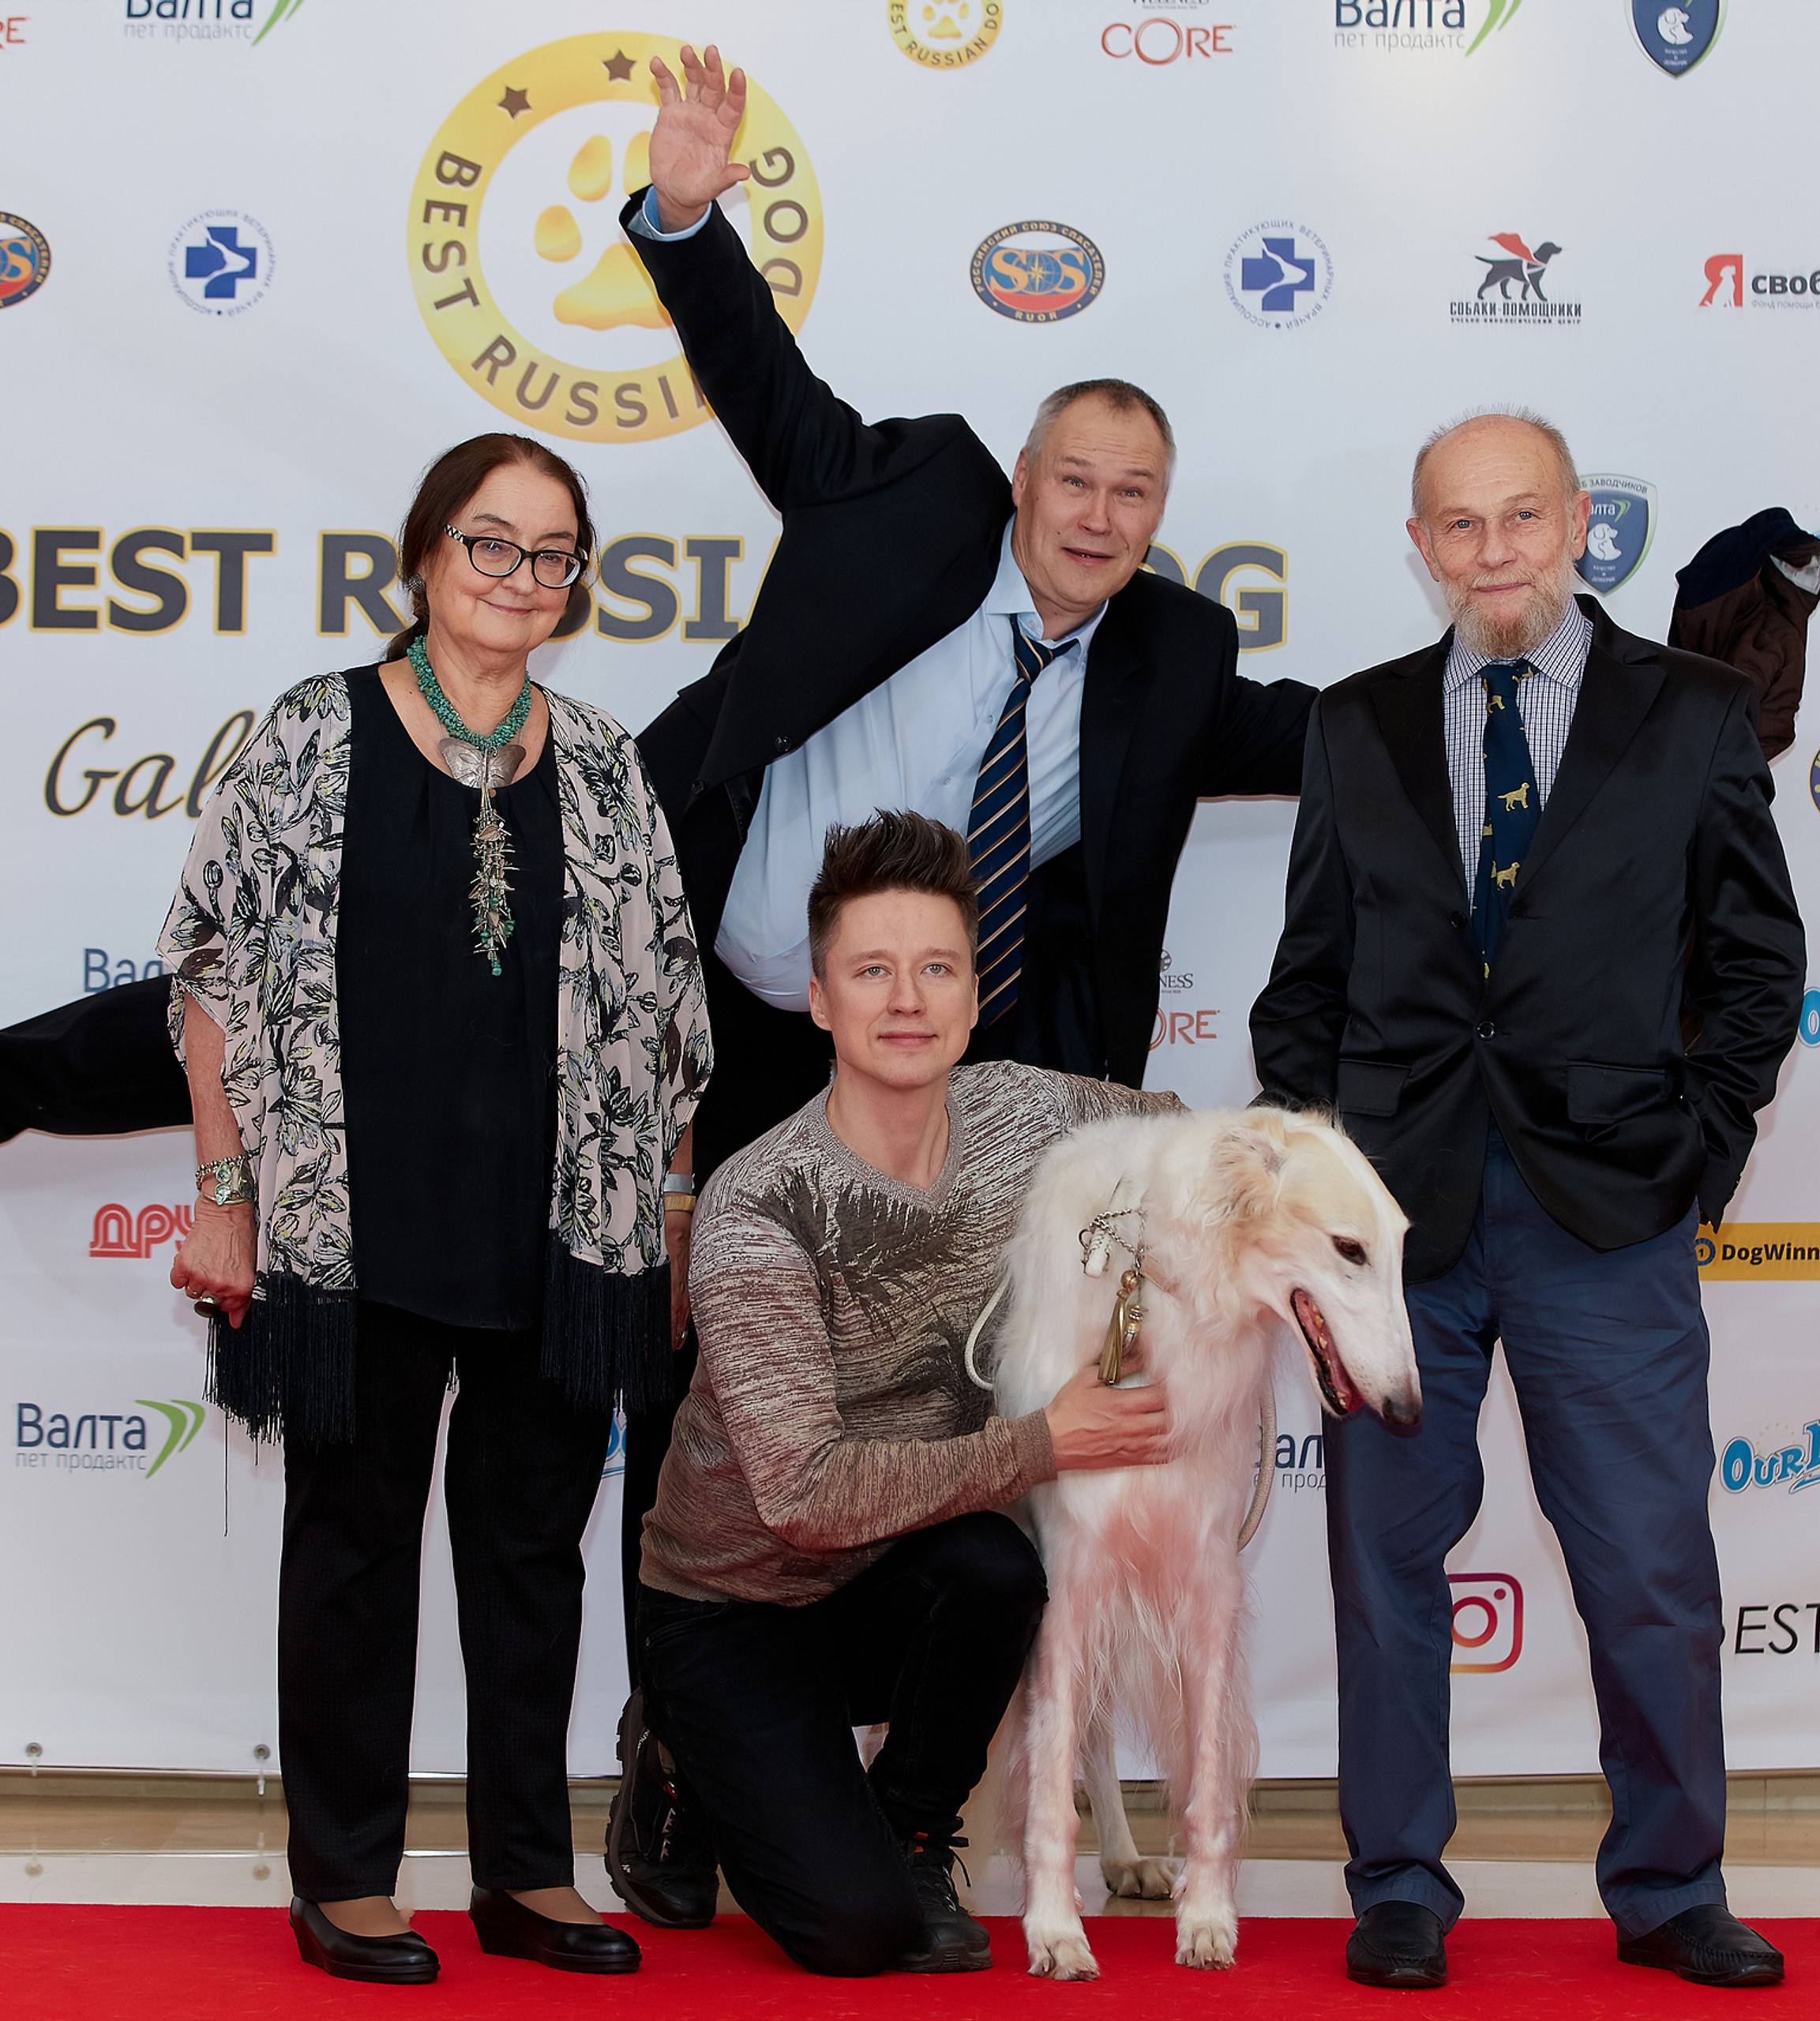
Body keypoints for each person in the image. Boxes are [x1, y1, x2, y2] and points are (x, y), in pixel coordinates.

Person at [609, 42, 1315, 1804]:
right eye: (1073, 479)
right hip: (743, 1007)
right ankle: (680, 1732)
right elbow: (767, 391)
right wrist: (687, 212)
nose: (1096, 517)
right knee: (697, 1375)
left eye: (1132, 496)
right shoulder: (908, 493)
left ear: (1158, 521)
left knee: (917, 1406)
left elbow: (1331, 738)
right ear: (1021, 474)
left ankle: (863, 1747)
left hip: (943, 1063)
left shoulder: (1170, 653)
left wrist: (1532, 676)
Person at [1249, 411, 1805, 1991]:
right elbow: (1304, 988)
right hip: (1394, 1225)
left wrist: (1696, 1145)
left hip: (1607, 1212)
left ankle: (1667, 1879)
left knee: (1642, 1564)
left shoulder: (1693, 713)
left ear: (1573, 525)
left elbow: (1755, 965)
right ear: (1419, 544)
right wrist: (1315, 1188)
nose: (1490, 551)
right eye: (1456, 525)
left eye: (1517, 518)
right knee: (1381, 1566)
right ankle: (1398, 1879)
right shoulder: (1351, 726)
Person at [162, 433, 711, 1985]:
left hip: (560, 1232)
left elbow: (671, 1017)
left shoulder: (603, 759)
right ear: (421, 556)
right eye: (493, 544)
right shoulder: (311, 735)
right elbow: (211, 968)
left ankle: (525, 1871)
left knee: (533, 1559)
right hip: (354, 1228)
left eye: (553, 555)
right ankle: (345, 1874)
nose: (522, 579)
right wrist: (220, 1192)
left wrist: (666, 1215)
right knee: (351, 1554)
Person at [615, 810, 1176, 1978]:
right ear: (821, 1000)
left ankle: (915, 1827)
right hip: (738, 1601)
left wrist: (1144, 1262)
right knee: (855, 1937)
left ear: (977, 995)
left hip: (901, 1573)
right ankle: (674, 1751)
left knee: (999, 1571)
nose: (907, 1000)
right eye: (873, 972)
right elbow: (806, 1499)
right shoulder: (760, 1203)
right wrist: (1044, 1439)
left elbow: (1185, 1141)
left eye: (937, 969)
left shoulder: (1029, 1113)